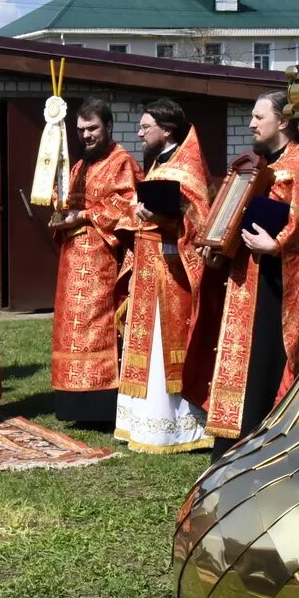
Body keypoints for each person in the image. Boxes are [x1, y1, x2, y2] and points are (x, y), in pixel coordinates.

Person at [205, 90, 299, 457]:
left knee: (265, 360)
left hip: (278, 281)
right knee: (241, 358)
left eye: (259, 117)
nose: (251, 124)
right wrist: (218, 247)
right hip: (245, 276)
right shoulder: (255, 165)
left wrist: (277, 247)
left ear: (283, 121)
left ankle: (266, 443)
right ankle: (232, 443)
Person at [112, 99, 215, 454]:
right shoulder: (158, 164)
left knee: (164, 344)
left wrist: (163, 218)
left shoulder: (187, 169)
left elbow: (199, 220)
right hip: (146, 267)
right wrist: (138, 211)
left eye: (145, 127)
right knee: (144, 343)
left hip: (172, 270)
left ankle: (174, 428)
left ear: (166, 130)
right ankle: (140, 423)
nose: (139, 133)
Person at [46, 100, 141, 425]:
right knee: (72, 328)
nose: (86, 136)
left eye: (93, 129)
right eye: (81, 131)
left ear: (109, 127)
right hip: (72, 262)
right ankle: (74, 404)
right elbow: (70, 202)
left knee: (97, 329)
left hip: (103, 262)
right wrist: (60, 216)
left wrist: (84, 215)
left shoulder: (122, 162)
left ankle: (102, 404)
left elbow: (128, 206)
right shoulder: (78, 166)